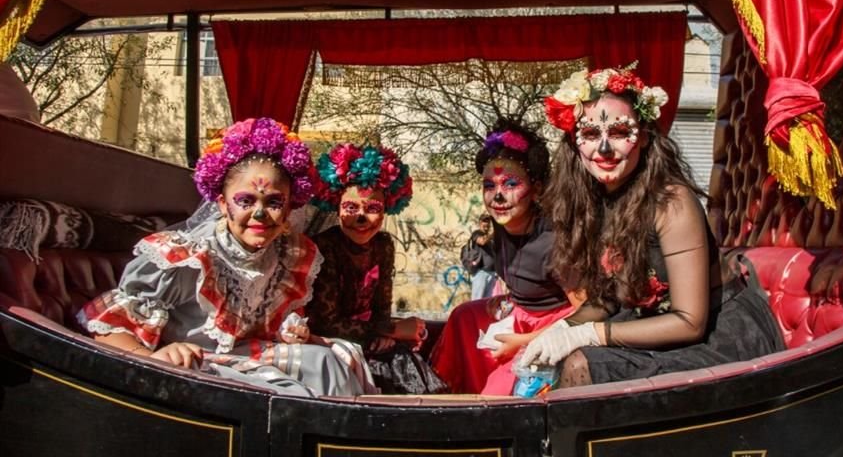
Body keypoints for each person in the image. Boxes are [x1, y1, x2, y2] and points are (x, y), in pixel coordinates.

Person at [514, 64, 785, 388]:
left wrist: (589, 334)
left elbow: (690, 322)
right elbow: (609, 298)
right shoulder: (596, 202)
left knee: (581, 363)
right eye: (591, 134)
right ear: (575, 143)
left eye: (619, 132)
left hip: (721, 340)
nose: (604, 148)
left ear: (643, 137)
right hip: (659, 326)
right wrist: (560, 330)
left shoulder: (671, 202)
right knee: (566, 357)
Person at [78, 118, 373, 397]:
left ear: (288, 209)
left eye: (273, 202)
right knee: (289, 390)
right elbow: (109, 329)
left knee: (334, 359)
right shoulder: (186, 258)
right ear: (222, 204)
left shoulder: (288, 255)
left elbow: (267, 327)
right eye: (246, 201)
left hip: (245, 354)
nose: (260, 214)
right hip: (198, 366)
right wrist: (155, 357)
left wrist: (293, 333)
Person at [429, 119, 575, 395]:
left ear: (537, 189)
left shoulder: (554, 242)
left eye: (510, 184)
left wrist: (524, 340)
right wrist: (510, 301)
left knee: (500, 392)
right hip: (518, 316)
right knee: (464, 316)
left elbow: (585, 313)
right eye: (489, 185)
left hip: (554, 328)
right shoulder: (502, 230)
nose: (497, 196)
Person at [306, 143, 447, 394]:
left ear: (385, 212)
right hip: (331, 344)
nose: (361, 218)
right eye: (351, 208)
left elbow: (381, 305)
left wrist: (386, 333)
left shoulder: (383, 245)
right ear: (337, 208)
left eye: (372, 209)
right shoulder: (325, 247)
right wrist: (391, 330)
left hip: (371, 339)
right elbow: (325, 322)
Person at [461, 214, 497, 300]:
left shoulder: (491, 238)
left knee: (487, 302)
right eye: (484, 221)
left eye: (488, 222)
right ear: (480, 223)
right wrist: (494, 233)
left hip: (492, 273)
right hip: (481, 272)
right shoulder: (476, 233)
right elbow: (482, 241)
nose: (487, 224)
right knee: (477, 300)